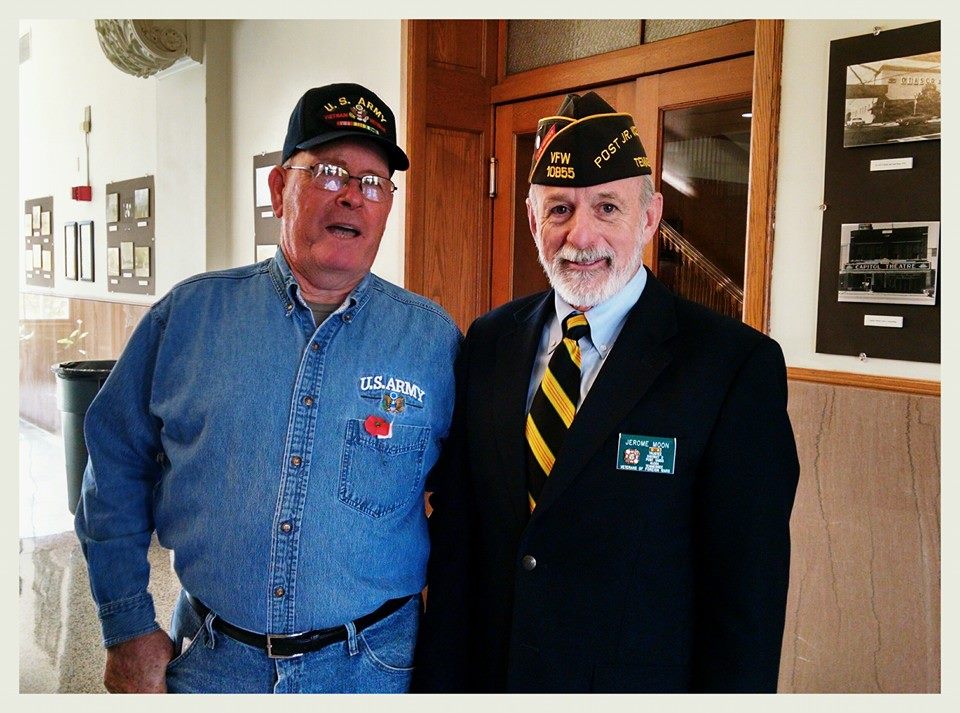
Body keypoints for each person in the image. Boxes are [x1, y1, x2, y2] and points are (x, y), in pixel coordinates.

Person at [75, 83, 461, 694]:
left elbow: (468, 504)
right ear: (280, 188)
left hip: (377, 670)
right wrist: (126, 628)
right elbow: (115, 467)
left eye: (374, 182)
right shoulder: (189, 318)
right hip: (212, 664)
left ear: (388, 205)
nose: (353, 197)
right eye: (330, 172)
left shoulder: (432, 342)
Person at [412, 91, 800, 692]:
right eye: (560, 208)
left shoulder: (731, 366)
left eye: (608, 208)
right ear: (532, 218)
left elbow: (745, 594)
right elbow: (460, 540)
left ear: (649, 217)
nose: (580, 236)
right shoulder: (488, 342)